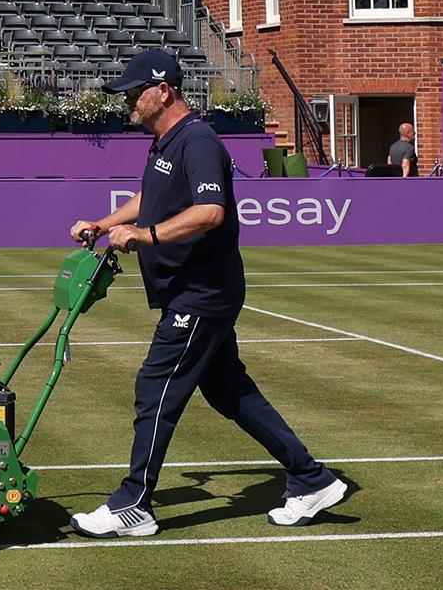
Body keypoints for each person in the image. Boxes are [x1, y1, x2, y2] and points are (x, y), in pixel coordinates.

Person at [68, 49, 348, 538]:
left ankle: (133, 503)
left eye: (135, 94)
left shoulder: (197, 141)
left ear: (164, 91)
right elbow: (150, 198)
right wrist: (105, 223)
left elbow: (210, 212)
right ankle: (311, 478)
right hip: (192, 291)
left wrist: (145, 237)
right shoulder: (164, 142)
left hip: (201, 293)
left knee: (154, 391)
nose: (128, 103)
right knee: (229, 391)